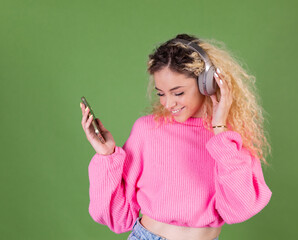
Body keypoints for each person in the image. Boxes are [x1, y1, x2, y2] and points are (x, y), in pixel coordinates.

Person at [80, 33, 272, 240]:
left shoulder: (227, 139)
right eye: (161, 93)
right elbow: (119, 218)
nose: (168, 104)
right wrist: (107, 156)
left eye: (178, 93)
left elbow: (240, 208)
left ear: (206, 84)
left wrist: (219, 129)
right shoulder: (147, 130)